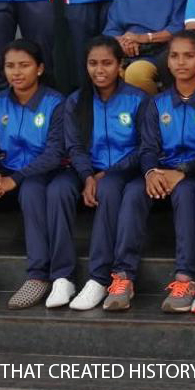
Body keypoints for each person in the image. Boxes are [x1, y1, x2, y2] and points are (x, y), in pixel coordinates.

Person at [120, 31, 195, 313]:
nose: (181, 62)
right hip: (162, 171)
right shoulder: (157, 102)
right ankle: (123, 276)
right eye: (174, 56)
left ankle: (186, 278)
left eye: (189, 56)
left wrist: (184, 171)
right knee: (133, 190)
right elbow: (148, 146)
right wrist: (151, 172)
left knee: (186, 193)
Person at [54, 37, 148, 311]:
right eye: (93, 63)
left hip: (129, 170)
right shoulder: (76, 101)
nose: (99, 70)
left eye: (107, 63)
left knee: (113, 189)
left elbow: (145, 147)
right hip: (90, 171)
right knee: (59, 189)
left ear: (120, 65)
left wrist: (109, 172)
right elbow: (74, 147)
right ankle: (67, 277)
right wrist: (87, 177)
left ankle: (104, 276)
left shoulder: (137, 99)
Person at [0, 39, 64, 309]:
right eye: (10, 66)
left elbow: (54, 153)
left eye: (24, 65)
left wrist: (16, 179)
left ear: (39, 68)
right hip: (6, 173)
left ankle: (38, 275)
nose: (16, 72)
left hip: (44, 174)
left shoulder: (55, 103)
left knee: (32, 190)